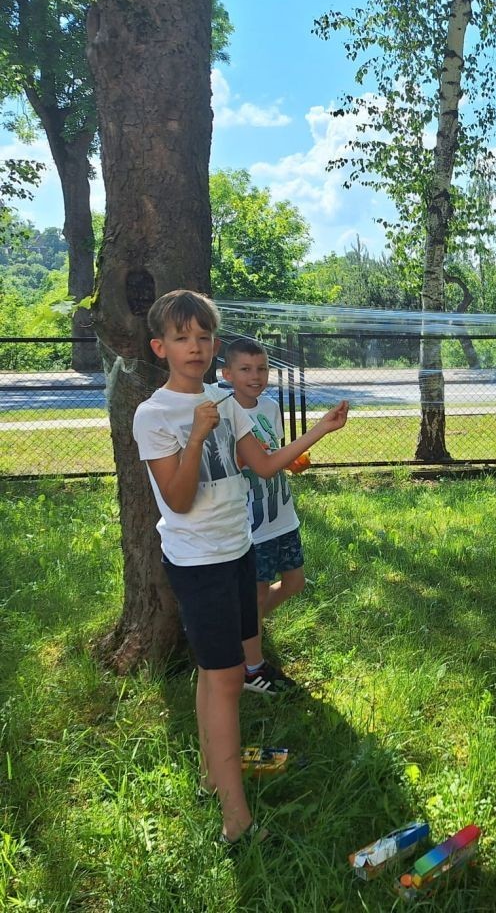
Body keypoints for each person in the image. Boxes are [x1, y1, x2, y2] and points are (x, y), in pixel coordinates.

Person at [132, 289, 348, 845]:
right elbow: (177, 500)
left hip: (238, 550)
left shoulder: (226, 402)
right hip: (197, 560)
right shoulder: (154, 414)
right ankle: (237, 821)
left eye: (204, 336)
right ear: (161, 347)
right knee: (227, 677)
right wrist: (198, 434)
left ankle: (212, 776)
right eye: (183, 338)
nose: (196, 347)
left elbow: (266, 465)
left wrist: (321, 429)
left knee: (215, 673)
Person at [221, 338, 308, 695]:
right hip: (251, 524)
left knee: (294, 583)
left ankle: (246, 632)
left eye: (261, 368)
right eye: (245, 369)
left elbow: (275, 453)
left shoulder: (270, 407)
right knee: (254, 595)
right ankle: (252, 668)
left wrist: (293, 460)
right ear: (227, 374)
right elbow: (230, 463)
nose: (255, 376)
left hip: (282, 516)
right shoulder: (224, 411)